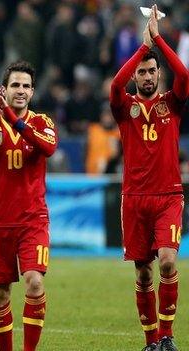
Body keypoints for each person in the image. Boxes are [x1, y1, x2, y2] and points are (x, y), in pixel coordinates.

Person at [108, 6, 188, 351]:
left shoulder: (172, 103)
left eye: (152, 71)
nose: (147, 76)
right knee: (143, 273)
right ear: (136, 76)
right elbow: (114, 84)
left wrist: (157, 39)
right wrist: (141, 48)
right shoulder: (124, 108)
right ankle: (151, 341)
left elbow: (184, 75)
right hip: (135, 199)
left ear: (159, 74)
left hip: (168, 195)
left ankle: (167, 335)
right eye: (142, 72)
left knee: (168, 260)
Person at [0, 61, 57, 351]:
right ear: (4, 89)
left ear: (33, 92)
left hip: (33, 220)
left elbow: (48, 149)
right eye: (15, 85)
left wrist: (8, 114)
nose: (21, 91)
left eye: (26, 86)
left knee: (34, 282)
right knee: (0, 293)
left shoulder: (42, 122)